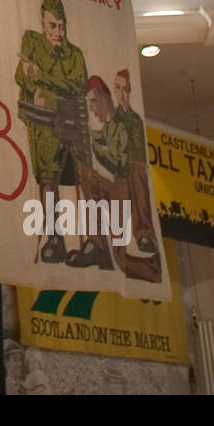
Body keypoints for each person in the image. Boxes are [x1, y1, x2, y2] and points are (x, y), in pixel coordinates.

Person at [64, 76, 161, 282]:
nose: (92, 109)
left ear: (104, 98)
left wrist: (95, 146)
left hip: (130, 192)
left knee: (135, 167)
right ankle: (97, 243)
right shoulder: (105, 130)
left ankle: (145, 236)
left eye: (93, 103)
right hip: (117, 194)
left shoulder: (126, 122)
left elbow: (122, 162)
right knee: (87, 174)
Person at [15, 0, 87, 263]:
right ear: (43, 24)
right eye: (52, 26)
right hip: (42, 124)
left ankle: (91, 239)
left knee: (81, 179)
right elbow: (21, 75)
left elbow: (78, 86)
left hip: (70, 122)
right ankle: (54, 237)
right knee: (46, 179)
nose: (57, 32)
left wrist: (43, 78)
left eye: (61, 26)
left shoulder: (75, 55)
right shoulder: (33, 42)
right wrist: (38, 80)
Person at [112, 69, 158, 254]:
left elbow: (138, 151)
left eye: (125, 89)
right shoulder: (112, 117)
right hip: (118, 166)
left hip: (131, 166)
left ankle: (144, 233)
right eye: (118, 89)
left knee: (137, 172)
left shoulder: (135, 120)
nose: (121, 94)